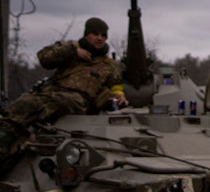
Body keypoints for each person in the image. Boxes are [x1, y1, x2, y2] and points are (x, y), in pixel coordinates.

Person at [0, 17, 127, 155]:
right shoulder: (70, 50)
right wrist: (72, 50)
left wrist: (119, 95)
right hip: (50, 93)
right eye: (95, 34)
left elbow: (116, 86)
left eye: (103, 35)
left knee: (63, 100)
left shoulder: (109, 65)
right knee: (24, 102)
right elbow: (44, 58)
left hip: (78, 101)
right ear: (86, 34)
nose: (100, 38)